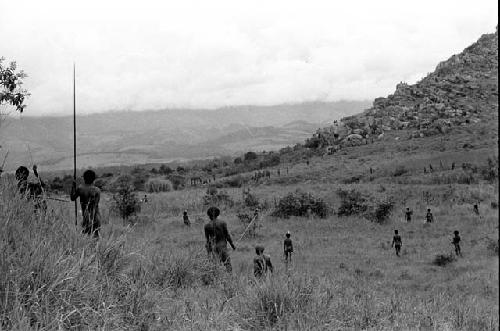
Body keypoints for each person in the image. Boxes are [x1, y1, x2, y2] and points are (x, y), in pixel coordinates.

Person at [71, 170, 101, 238]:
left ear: (84, 178)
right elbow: (96, 205)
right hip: (96, 217)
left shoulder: (80, 189)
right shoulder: (97, 190)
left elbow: (72, 198)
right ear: (94, 179)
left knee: (86, 237)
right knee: (95, 238)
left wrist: (73, 186)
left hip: (86, 218)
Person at [204, 206, 235, 272]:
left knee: (215, 265)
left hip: (213, 247)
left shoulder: (207, 226)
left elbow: (207, 240)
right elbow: (227, 235)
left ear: (208, 215)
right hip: (222, 246)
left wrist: (208, 252)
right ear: (218, 214)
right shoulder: (222, 223)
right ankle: (230, 279)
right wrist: (232, 245)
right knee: (227, 264)